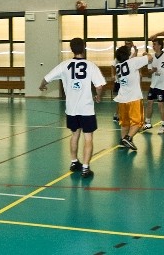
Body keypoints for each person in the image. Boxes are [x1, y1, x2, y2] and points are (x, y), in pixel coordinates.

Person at [39, 38, 106, 178]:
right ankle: (85, 168)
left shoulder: (64, 65)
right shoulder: (91, 66)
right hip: (86, 109)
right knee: (88, 137)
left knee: (75, 135)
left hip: (71, 109)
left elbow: (46, 78)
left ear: (71, 49)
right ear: (84, 48)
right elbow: (99, 86)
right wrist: (98, 96)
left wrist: (42, 86)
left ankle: (74, 162)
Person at [114, 45, 152, 151]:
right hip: (133, 98)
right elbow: (150, 58)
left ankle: (123, 141)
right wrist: (146, 54)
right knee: (138, 122)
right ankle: (128, 138)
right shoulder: (133, 62)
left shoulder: (118, 66)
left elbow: (130, 62)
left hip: (122, 99)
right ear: (128, 54)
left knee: (125, 123)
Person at [144, 38, 164, 134]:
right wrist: (152, 70)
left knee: (161, 104)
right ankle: (147, 122)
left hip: (162, 85)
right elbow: (149, 72)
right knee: (149, 102)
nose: (153, 46)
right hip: (153, 84)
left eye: (155, 44)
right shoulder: (151, 57)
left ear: (160, 45)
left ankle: (163, 124)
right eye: (153, 45)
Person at [112, 40, 139, 123]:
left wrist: (136, 50)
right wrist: (113, 75)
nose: (128, 45)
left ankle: (124, 115)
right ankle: (117, 114)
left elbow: (134, 61)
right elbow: (113, 65)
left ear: (131, 45)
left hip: (128, 81)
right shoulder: (120, 55)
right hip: (120, 81)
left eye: (129, 44)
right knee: (121, 98)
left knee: (127, 98)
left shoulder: (131, 55)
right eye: (126, 44)